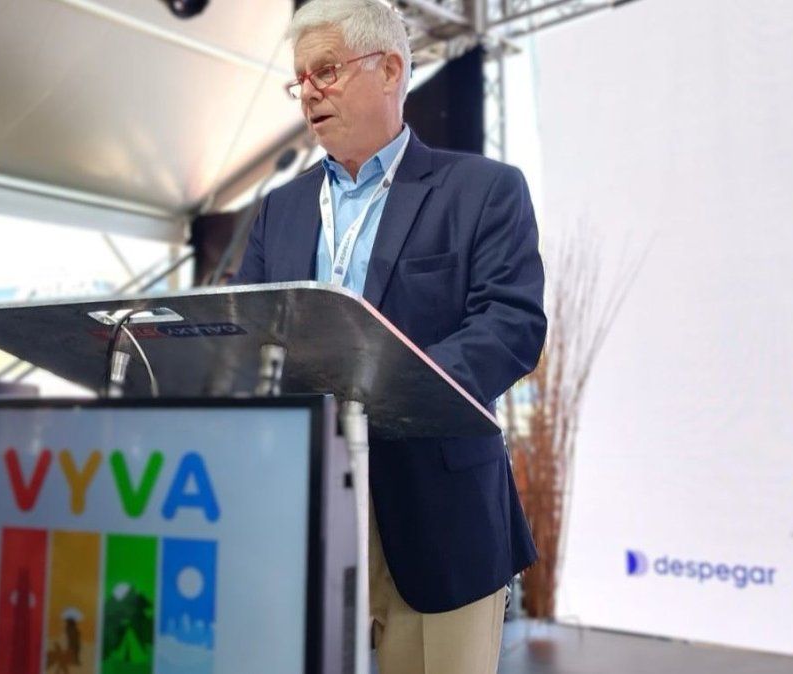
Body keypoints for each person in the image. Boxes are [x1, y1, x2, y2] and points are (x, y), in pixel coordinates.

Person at [233, 0, 546, 670]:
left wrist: (390, 388)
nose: (309, 92)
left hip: (441, 513)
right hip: (302, 513)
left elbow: (511, 324)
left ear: (391, 69)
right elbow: (244, 338)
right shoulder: (275, 213)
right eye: (301, 79)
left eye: (327, 70)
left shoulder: (483, 191)